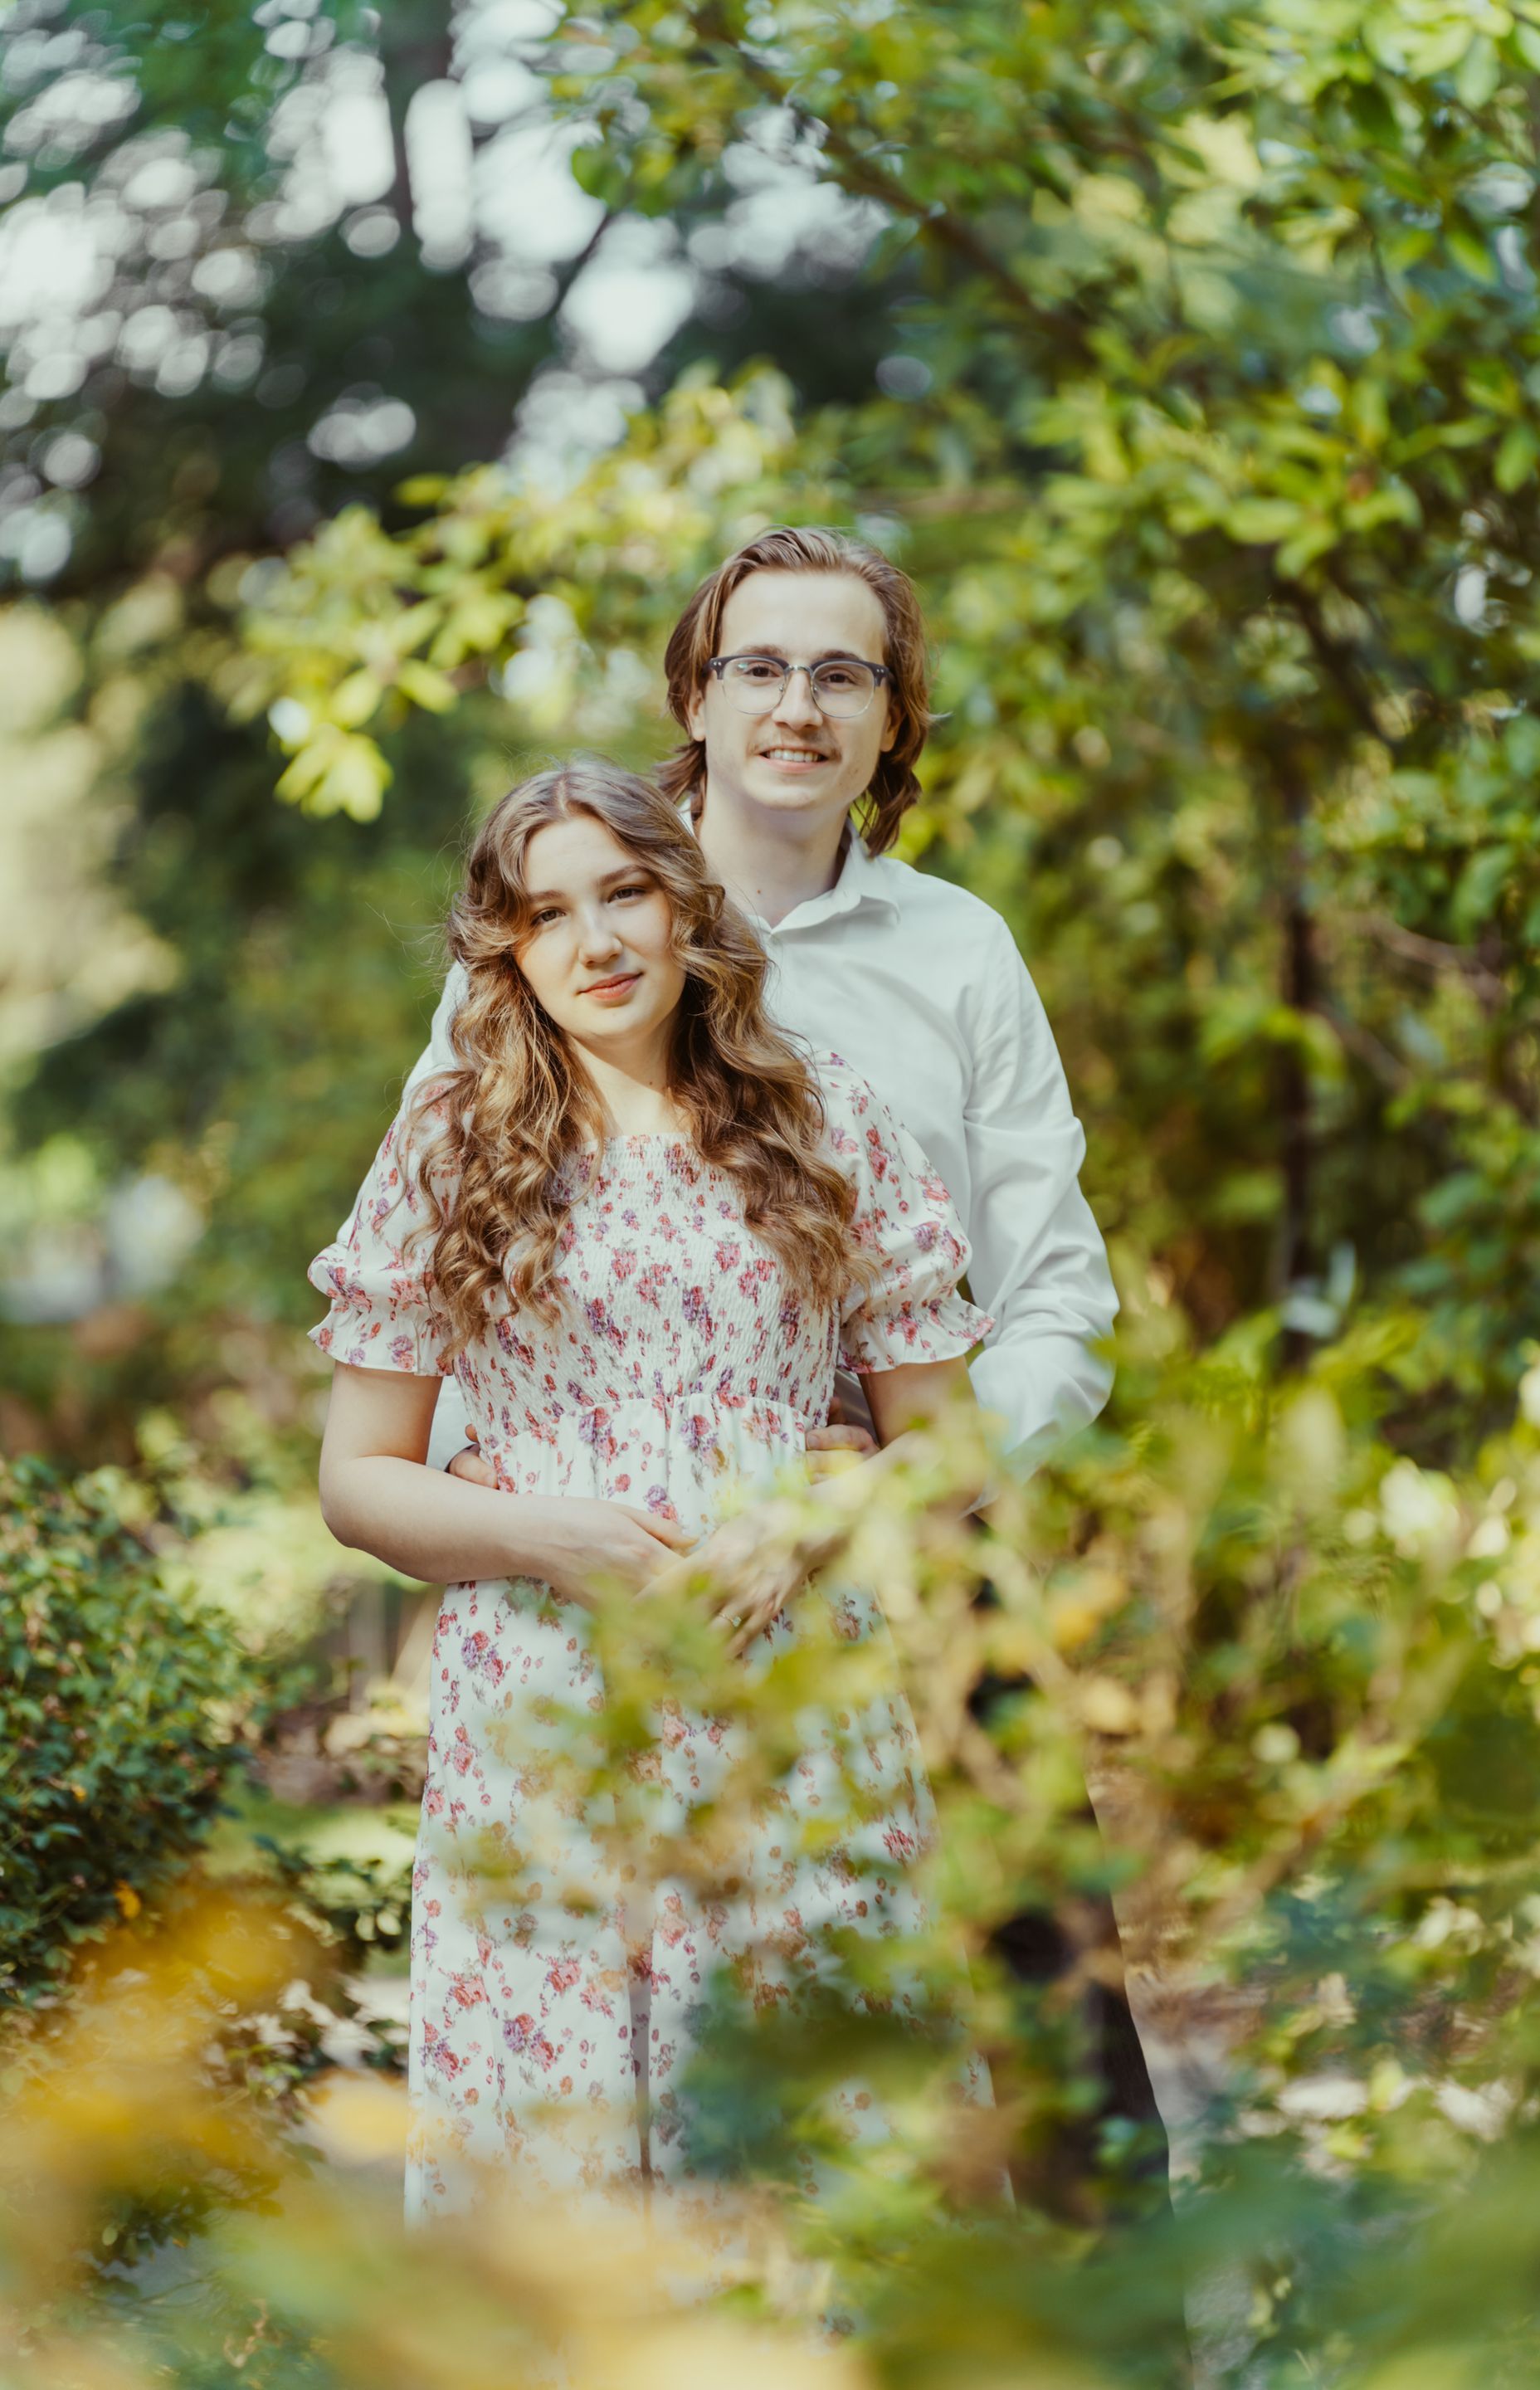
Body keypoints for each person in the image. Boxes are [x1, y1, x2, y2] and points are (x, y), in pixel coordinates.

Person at [411, 526, 1168, 2212]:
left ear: (896, 722)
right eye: (761, 664)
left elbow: (1057, 1297)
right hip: (633, 1591)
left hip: (915, 1548)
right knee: (632, 2089)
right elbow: (455, 1219)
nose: (799, 705)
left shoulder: (959, 954)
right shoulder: (571, 919)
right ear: (698, 691)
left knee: (1066, 2100)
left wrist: (905, 1481)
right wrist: (507, 1490)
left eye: (847, 673)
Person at [310, 758, 995, 2226]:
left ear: (688, 906)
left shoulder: (826, 1122)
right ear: (507, 951)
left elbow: (949, 1449)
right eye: (546, 914)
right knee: (563, 2174)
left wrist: (815, 1519)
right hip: (549, 1716)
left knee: (821, 2160)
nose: (596, 941)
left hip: (793, 1699)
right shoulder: (451, 1148)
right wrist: (538, 1532)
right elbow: (357, 1480)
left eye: (624, 892)